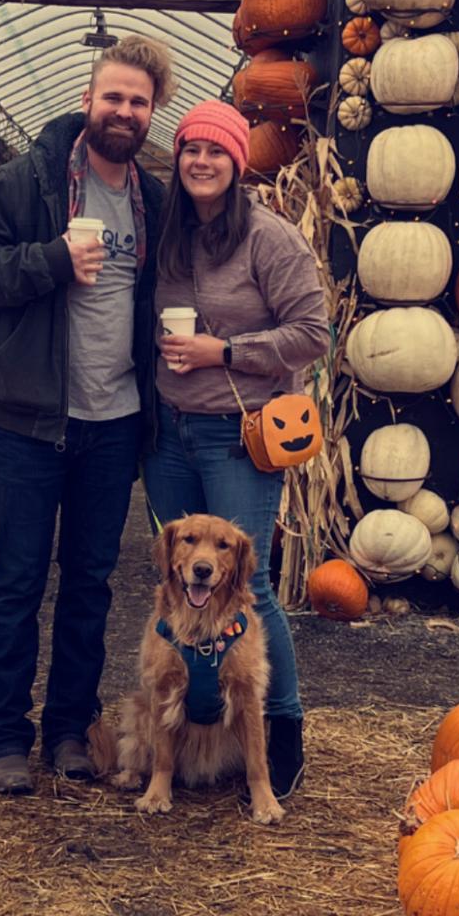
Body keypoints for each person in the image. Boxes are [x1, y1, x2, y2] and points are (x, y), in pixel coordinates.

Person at [0, 36, 175, 795]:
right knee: (15, 579)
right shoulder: (29, 182)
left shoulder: (157, 200)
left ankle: (70, 731)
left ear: (152, 113)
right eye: (113, 96)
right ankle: (3, 736)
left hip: (114, 423)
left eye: (138, 102)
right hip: (27, 420)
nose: (124, 111)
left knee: (89, 583)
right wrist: (49, 261)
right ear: (88, 100)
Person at [142, 99, 328, 800]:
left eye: (216, 151)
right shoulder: (168, 235)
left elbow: (312, 330)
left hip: (235, 435)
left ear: (237, 162)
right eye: (190, 149)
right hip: (166, 434)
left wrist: (226, 349)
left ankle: (282, 729)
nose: (201, 161)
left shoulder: (269, 240)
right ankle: (195, 724)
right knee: (180, 583)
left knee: (246, 589)